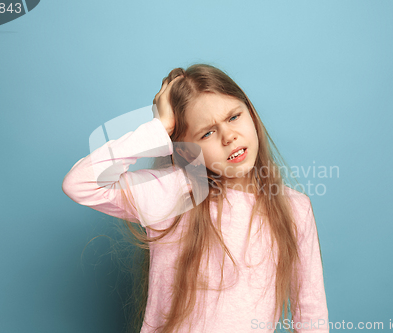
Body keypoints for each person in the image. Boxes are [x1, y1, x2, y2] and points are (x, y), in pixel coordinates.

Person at [62, 63, 329, 333]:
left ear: (251, 113)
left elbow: (311, 314)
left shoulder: (294, 208)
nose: (229, 137)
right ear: (184, 148)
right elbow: (79, 184)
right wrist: (159, 127)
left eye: (234, 117)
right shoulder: (173, 192)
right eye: (208, 133)